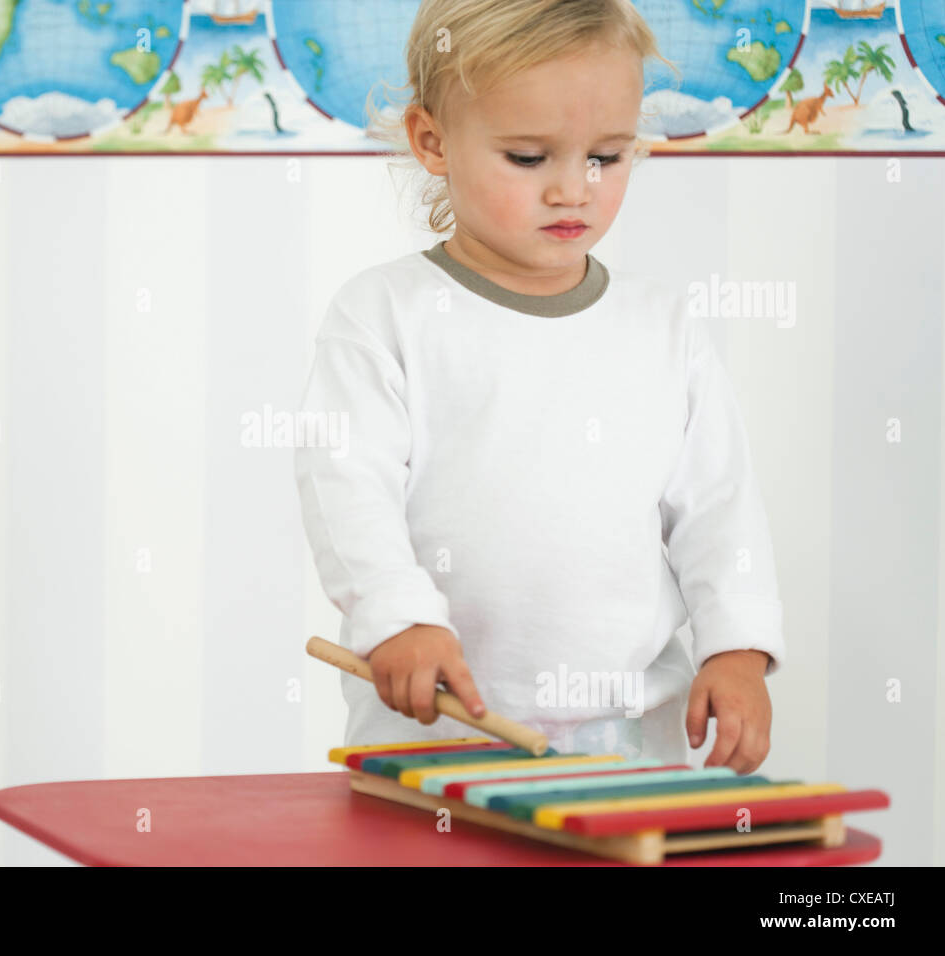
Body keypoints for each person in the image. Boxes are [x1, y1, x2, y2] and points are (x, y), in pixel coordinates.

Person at [293, 0, 783, 773]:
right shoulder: (386, 312)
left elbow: (721, 507)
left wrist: (739, 645)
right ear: (433, 140)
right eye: (529, 158)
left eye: (608, 156)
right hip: (438, 737)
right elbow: (347, 486)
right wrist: (395, 617)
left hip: (628, 745)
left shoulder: (664, 325)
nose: (574, 190)